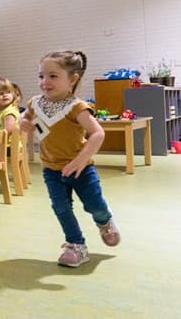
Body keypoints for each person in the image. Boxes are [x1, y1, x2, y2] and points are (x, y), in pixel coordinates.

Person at [20, 51, 120, 268]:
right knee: (61, 207)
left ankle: (104, 220)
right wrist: (22, 121)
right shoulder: (34, 103)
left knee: (94, 205)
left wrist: (81, 160)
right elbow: (25, 116)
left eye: (53, 76)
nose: (44, 82)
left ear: (72, 79)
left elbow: (98, 133)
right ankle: (76, 245)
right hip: (51, 169)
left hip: (81, 169)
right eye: (41, 76)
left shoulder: (77, 107)